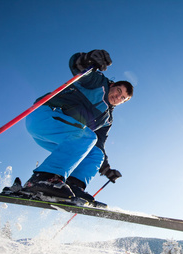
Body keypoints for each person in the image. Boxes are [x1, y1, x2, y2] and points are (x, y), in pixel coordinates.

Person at [23, 50, 133, 205]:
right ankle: (43, 179)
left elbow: (99, 145)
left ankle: (74, 186)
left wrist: (106, 169)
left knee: (96, 153)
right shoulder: (98, 83)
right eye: (118, 91)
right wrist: (88, 59)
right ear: (113, 85)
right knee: (87, 136)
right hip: (44, 115)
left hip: (62, 136)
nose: (117, 97)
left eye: (123, 98)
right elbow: (78, 67)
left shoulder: (106, 119)